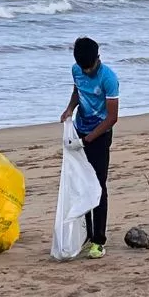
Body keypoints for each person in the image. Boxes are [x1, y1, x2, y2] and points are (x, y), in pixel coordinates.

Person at [60, 37, 119, 260]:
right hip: (80, 129)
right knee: (81, 183)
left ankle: (99, 240)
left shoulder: (109, 78)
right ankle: (86, 234)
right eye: (83, 67)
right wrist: (69, 110)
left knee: (98, 185)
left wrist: (88, 140)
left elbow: (112, 117)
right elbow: (77, 92)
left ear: (98, 59)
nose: (86, 71)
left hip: (100, 134)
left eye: (90, 67)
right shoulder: (77, 70)